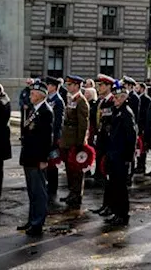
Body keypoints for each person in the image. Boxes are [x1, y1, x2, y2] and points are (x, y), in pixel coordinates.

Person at [19, 80, 53, 236]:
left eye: (32, 93)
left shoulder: (46, 111)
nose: (30, 96)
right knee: (32, 191)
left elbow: (47, 139)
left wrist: (44, 159)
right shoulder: (34, 110)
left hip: (37, 158)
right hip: (29, 156)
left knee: (39, 192)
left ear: (40, 95)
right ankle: (31, 219)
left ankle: (38, 223)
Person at [103, 82, 138, 227]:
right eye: (115, 98)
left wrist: (128, 158)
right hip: (113, 154)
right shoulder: (116, 111)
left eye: (118, 98)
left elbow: (131, 137)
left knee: (121, 188)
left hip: (121, 156)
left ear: (124, 98)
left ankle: (122, 215)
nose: (115, 100)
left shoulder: (126, 113)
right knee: (114, 185)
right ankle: (116, 212)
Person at [60, 75, 90, 208]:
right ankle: (72, 192)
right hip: (67, 139)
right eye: (67, 84)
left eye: (71, 84)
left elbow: (83, 125)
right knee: (69, 168)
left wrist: (80, 143)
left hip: (75, 140)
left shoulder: (81, 101)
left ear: (77, 86)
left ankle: (77, 194)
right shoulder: (71, 99)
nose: (68, 87)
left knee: (76, 170)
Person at [42, 77, 64, 202]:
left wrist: (56, 138)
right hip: (47, 136)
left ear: (54, 87)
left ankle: (53, 187)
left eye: (49, 85)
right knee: (47, 161)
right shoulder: (48, 99)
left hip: (54, 137)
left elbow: (58, 122)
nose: (47, 87)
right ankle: (48, 183)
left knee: (53, 162)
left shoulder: (58, 101)